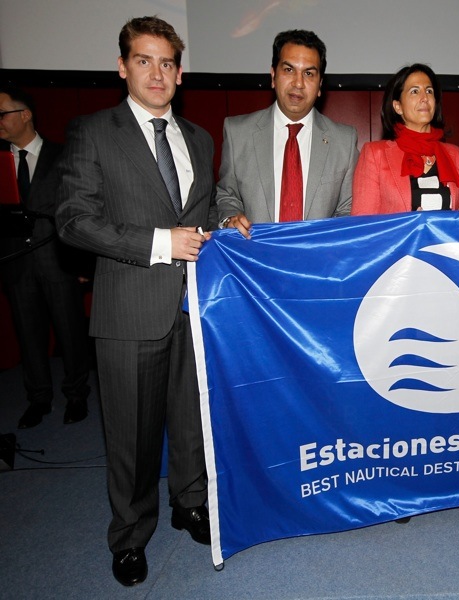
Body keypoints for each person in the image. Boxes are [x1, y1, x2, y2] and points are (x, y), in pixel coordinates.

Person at [55, 16, 216, 586]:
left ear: (179, 71)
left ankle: (189, 502)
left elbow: (196, 213)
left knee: (192, 421)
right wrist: (157, 244)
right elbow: (73, 221)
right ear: (123, 67)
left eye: (168, 62)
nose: (157, 72)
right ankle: (129, 534)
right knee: (132, 436)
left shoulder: (198, 137)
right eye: (144, 60)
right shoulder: (93, 131)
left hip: (192, 308)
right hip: (128, 311)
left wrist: (227, 219)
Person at [0, 84, 92, 429]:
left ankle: (77, 396)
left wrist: (83, 263)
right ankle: (38, 399)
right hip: (15, 264)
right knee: (28, 336)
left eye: (3, 113)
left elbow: (80, 211)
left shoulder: (64, 155)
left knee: (70, 333)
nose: (0, 122)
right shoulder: (0, 160)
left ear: (25, 115)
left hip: (58, 260)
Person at [216, 29, 358, 236]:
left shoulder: (344, 141)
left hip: (317, 263)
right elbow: (227, 195)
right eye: (289, 70)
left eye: (309, 73)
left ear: (320, 85)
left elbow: (347, 209)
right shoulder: (238, 133)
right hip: (253, 261)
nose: (298, 83)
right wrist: (230, 218)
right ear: (273, 76)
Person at [352, 63, 459, 214]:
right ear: (398, 106)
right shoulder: (375, 154)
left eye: (429, 91)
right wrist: (410, 227)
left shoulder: (457, 156)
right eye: (415, 91)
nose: (425, 98)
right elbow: (364, 225)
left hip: (449, 238)